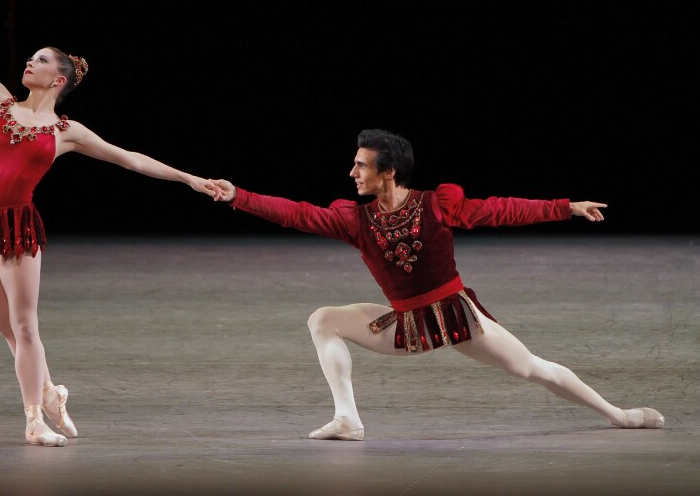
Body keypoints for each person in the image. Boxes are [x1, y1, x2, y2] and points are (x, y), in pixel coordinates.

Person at [0, 0, 222, 447]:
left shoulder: (66, 131)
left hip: (17, 229)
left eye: (39, 60)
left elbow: (131, 158)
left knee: (24, 326)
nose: (28, 62)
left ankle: (34, 419)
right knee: (2, 325)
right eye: (30, 57)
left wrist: (188, 178)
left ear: (57, 79)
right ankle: (51, 391)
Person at [210, 129, 664, 440]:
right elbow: (299, 213)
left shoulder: (438, 204)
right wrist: (240, 197)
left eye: (361, 166)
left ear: (388, 171)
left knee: (532, 368)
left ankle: (618, 415)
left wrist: (566, 207)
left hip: (453, 314)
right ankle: (347, 419)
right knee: (323, 320)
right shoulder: (356, 219)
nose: (352, 173)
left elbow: (501, 209)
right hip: (403, 323)